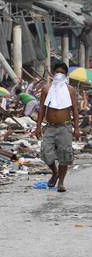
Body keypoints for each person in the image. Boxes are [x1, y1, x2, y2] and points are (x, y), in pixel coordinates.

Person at [34, 62, 80, 192]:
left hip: (65, 127)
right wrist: (38, 127)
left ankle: (61, 182)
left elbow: (75, 110)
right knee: (46, 153)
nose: (59, 75)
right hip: (50, 127)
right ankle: (55, 172)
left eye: (62, 73)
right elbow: (42, 110)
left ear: (65, 75)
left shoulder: (70, 90)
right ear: (53, 73)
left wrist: (76, 128)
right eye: (57, 72)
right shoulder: (46, 89)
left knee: (64, 155)